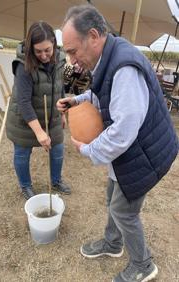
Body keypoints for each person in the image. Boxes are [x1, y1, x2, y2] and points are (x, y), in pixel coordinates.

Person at [57, 4, 178, 282]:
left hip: (145, 153)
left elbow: (123, 132)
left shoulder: (123, 67)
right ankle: (113, 244)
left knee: (124, 210)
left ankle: (143, 265)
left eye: (74, 51)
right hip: (135, 150)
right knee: (114, 197)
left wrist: (88, 149)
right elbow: (104, 95)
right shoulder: (110, 55)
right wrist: (77, 100)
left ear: (94, 36)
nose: (72, 61)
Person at [6, 21, 71, 200]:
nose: (43, 55)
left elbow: (60, 88)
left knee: (57, 151)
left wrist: (63, 113)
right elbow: (23, 102)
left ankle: (56, 181)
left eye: (47, 50)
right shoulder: (23, 65)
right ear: (30, 49)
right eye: (38, 51)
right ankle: (25, 186)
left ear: (54, 44)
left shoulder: (59, 59)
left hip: (52, 116)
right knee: (22, 153)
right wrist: (39, 132)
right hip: (25, 120)